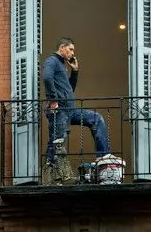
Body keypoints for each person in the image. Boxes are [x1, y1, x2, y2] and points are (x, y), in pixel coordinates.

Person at [41, 36, 111, 170]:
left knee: (97, 118)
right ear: (62, 47)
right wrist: (53, 99)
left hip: (70, 110)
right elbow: (47, 78)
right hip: (60, 110)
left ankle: (103, 157)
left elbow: (69, 89)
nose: (73, 53)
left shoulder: (62, 65)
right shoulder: (52, 61)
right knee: (57, 142)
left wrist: (75, 71)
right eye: (71, 49)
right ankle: (51, 175)